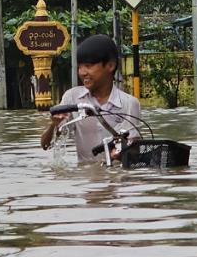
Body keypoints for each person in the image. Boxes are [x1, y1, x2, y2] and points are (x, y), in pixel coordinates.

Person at [40, 34, 141, 163]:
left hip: (116, 178)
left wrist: (121, 153)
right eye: (80, 66)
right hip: (84, 179)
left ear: (110, 66)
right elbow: (46, 145)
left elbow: (134, 149)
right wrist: (54, 125)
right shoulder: (72, 98)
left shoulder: (129, 103)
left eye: (88, 66)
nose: (82, 72)